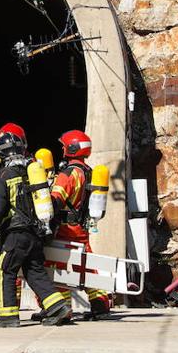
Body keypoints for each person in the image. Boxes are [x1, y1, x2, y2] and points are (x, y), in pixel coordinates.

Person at [0, 123, 71, 328]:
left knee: (5, 270)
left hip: (15, 234)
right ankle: (58, 306)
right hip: (35, 233)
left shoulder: (3, 176)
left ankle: (7, 316)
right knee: (34, 271)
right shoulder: (32, 172)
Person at [48, 130, 111, 317]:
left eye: (64, 145)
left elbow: (56, 200)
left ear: (72, 148)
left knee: (56, 266)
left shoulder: (68, 174)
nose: (62, 148)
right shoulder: (89, 172)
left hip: (65, 228)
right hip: (82, 227)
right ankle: (100, 303)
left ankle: (63, 307)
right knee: (85, 265)